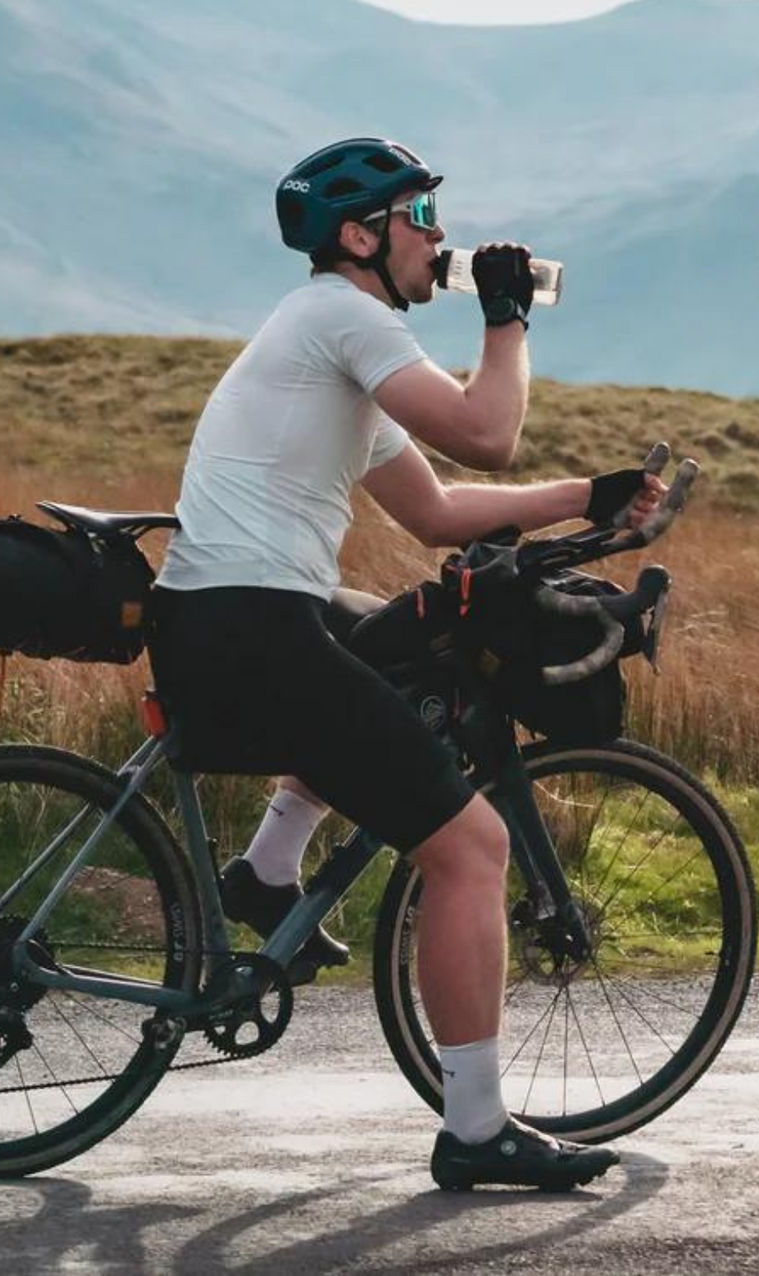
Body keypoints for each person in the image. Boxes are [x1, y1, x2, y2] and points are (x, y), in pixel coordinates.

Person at [145, 137, 665, 1191]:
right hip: (251, 627)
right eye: (417, 214)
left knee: (393, 636)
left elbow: (436, 510)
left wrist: (587, 496)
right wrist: (507, 317)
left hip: (231, 616)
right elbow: (487, 435)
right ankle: (475, 1131)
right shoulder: (347, 318)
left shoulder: (331, 344)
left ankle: (269, 872)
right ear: (359, 235)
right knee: (471, 850)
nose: (437, 237)